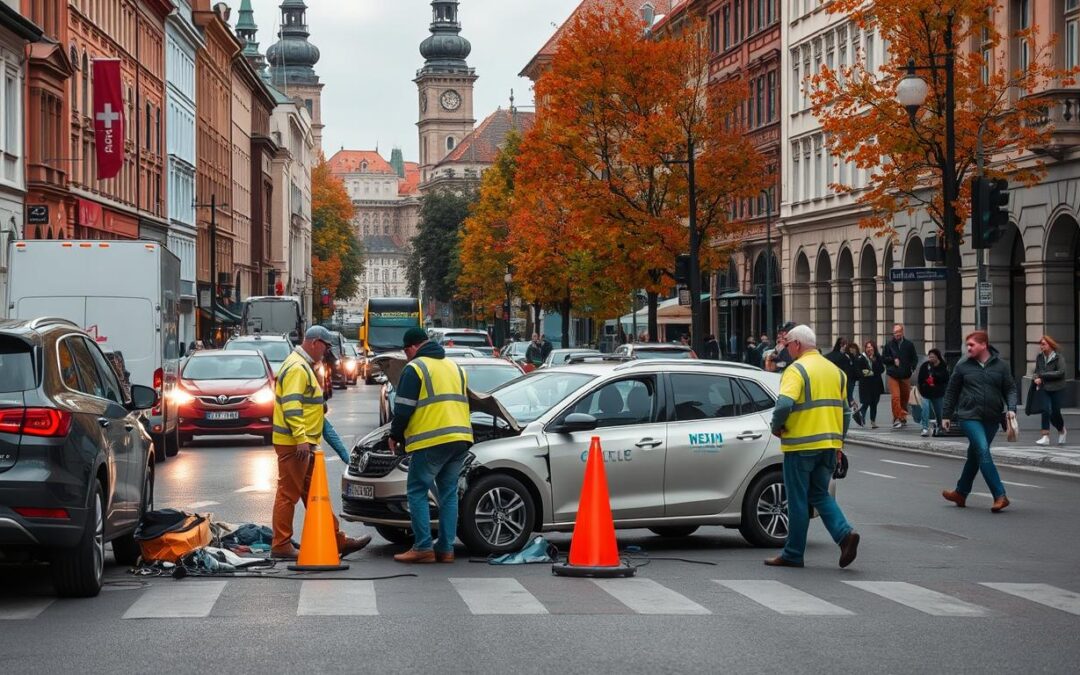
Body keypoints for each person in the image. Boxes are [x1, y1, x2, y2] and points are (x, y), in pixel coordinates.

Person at [270, 326, 370, 559]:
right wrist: (302, 438)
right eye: (325, 347)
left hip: (301, 443)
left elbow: (303, 403)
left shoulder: (300, 365)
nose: (326, 352)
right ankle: (281, 544)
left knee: (315, 494)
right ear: (314, 342)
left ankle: (336, 539)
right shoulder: (297, 367)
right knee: (288, 494)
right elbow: (292, 406)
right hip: (296, 444)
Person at [766, 324, 860, 569]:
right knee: (819, 494)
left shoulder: (797, 370)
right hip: (829, 444)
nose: (785, 349)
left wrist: (776, 427)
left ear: (797, 344)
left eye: (787, 344)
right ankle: (844, 534)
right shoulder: (836, 372)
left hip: (800, 445)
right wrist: (839, 442)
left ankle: (793, 553)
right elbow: (846, 412)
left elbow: (784, 404)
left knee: (797, 499)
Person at [389, 327, 474, 564]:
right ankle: (446, 549)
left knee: (416, 490)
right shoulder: (455, 368)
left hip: (432, 439)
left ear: (414, 347)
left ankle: (423, 547)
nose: (406, 356)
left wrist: (395, 435)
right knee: (448, 494)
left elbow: (403, 408)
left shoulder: (416, 368)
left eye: (406, 350)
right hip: (461, 438)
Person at [941, 331, 1016, 513]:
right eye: (967, 345)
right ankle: (1000, 495)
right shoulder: (962, 365)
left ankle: (961, 493)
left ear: (984, 345)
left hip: (992, 417)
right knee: (982, 450)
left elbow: (1011, 388)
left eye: (972, 345)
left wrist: (1011, 408)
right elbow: (951, 391)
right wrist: (946, 415)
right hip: (969, 415)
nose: (968, 348)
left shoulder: (1001, 366)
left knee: (975, 456)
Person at [1032, 335, 1067, 446]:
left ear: (1050, 345)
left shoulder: (1058, 357)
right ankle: (1045, 436)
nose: (1041, 346)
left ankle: (1061, 430)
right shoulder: (1039, 357)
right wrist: (1036, 378)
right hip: (1044, 388)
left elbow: (1060, 372)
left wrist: (1043, 375)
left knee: (1055, 413)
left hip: (1057, 388)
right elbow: (1036, 371)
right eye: (1040, 344)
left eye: (1043, 344)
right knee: (1045, 410)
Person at [882, 324, 918, 429]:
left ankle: (902, 417)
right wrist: (893, 361)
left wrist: (912, 368)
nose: (897, 334)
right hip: (893, 374)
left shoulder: (909, 345)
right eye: (895, 333)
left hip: (905, 375)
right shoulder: (889, 345)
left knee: (904, 398)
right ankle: (897, 418)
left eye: (898, 332)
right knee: (895, 397)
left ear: (902, 332)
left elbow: (914, 358)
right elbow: (883, 358)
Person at [917, 348, 949, 437]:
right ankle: (925, 427)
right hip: (926, 392)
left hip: (938, 392)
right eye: (930, 357)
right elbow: (920, 378)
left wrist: (935, 376)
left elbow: (945, 378)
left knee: (939, 412)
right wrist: (922, 387)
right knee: (925, 408)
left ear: (937, 357)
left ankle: (939, 426)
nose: (931, 359)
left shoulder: (943, 366)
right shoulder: (925, 366)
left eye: (933, 357)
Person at [859, 341, 886, 429]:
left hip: (876, 384)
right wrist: (864, 373)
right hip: (866, 384)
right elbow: (858, 370)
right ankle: (861, 416)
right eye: (867, 347)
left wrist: (873, 361)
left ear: (874, 348)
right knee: (866, 401)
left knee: (874, 403)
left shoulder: (877, 357)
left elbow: (881, 369)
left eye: (871, 347)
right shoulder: (861, 358)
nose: (869, 349)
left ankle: (873, 422)